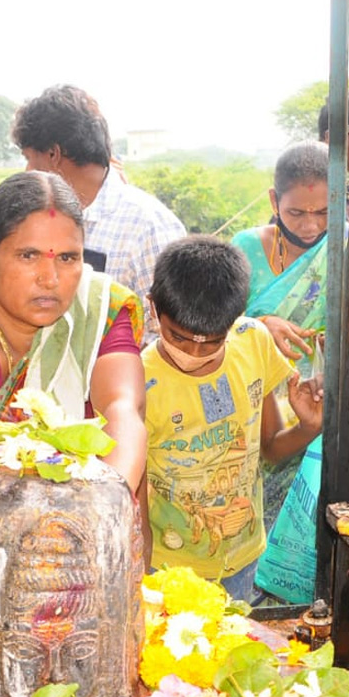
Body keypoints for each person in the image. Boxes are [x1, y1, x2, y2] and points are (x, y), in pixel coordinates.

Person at [0, 170, 147, 498]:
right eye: (29, 256)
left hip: (100, 518)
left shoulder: (99, 312)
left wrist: (104, 504)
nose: (50, 278)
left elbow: (121, 407)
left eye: (68, 258)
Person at [142, 236, 323, 602]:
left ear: (236, 319)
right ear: (153, 309)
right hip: (168, 571)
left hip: (242, 561)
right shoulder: (139, 382)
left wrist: (309, 427)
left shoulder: (253, 342)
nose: (194, 353)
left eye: (211, 342)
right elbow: (134, 498)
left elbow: (270, 449)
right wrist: (143, 581)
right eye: (178, 337)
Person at [12, 84, 185, 338]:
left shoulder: (148, 227)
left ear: (53, 154)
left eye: (29, 157)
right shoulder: (36, 218)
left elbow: (168, 338)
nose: (28, 170)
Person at [231, 141, 328, 533]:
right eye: (296, 212)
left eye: (324, 212)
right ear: (274, 200)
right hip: (255, 416)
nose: (311, 226)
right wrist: (259, 323)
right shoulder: (246, 249)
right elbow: (210, 326)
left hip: (316, 409)